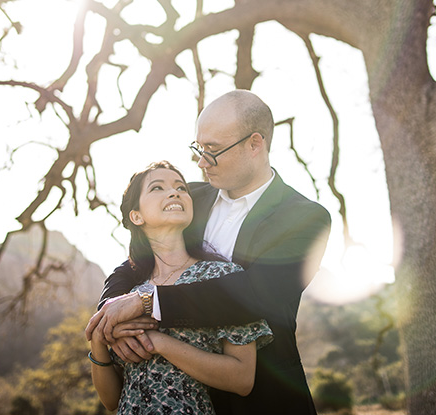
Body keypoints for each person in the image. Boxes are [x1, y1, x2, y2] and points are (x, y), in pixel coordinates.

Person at [86, 90, 332, 414]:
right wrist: (112, 316)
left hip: (262, 397)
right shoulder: (189, 199)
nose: (201, 162)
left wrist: (147, 303)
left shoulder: (307, 219)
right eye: (199, 148)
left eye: (213, 151)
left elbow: (255, 293)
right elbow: (139, 261)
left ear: (254, 144)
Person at [88, 160, 273, 414]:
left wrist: (157, 342)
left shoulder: (221, 277)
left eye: (181, 188)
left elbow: (242, 379)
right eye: (157, 188)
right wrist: (98, 341)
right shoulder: (128, 295)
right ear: (136, 215)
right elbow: (112, 401)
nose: (175, 192)